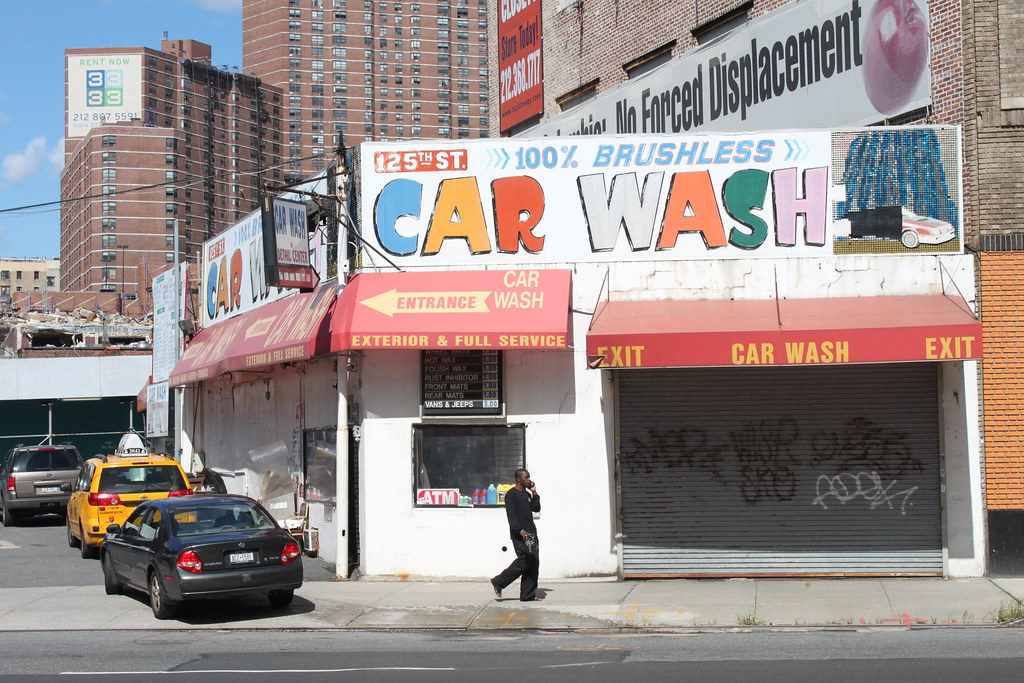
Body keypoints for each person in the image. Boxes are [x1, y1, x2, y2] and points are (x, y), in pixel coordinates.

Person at [491, 468, 541, 602]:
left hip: (531, 534)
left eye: (529, 477)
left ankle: (528, 595)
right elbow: (511, 516)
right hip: (520, 534)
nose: (528, 479)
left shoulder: (526, 494)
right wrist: (520, 531)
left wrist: (534, 493)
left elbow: (536, 508)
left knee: (534, 562)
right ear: (518, 479)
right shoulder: (511, 495)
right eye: (526, 477)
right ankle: (499, 582)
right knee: (524, 561)